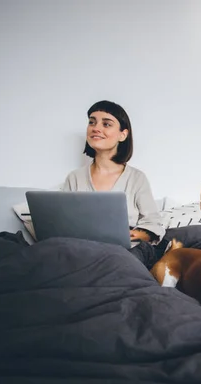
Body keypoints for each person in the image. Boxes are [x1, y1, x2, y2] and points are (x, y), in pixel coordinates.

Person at [61, 100, 166, 269]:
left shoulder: (137, 178)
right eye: (92, 122)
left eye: (106, 124)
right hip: (83, 250)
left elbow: (153, 223)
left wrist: (132, 235)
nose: (96, 128)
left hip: (125, 251)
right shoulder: (75, 178)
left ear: (123, 135)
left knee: (121, 261)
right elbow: (62, 221)